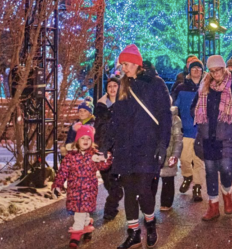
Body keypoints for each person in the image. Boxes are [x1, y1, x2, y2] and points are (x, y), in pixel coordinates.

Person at [101, 45, 171, 249]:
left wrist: (162, 144)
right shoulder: (123, 85)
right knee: (129, 192)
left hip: (147, 146)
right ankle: (133, 234)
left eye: (127, 64)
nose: (124, 68)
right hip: (125, 147)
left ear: (137, 64)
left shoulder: (155, 83)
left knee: (143, 189)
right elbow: (116, 119)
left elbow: (165, 116)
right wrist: (106, 145)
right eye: (122, 64)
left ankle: (150, 223)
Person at [190, 55, 232, 220]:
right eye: (212, 71)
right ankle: (213, 205)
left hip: (226, 136)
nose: (215, 74)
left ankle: (227, 194)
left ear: (223, 69)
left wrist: (230, 116)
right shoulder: (204, 87)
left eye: (217, 70)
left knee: (227, 170)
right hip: (207, 136)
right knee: (210, 172)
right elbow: (193, 107)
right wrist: (198, 114)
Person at [52, 125, 112, 248]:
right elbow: (63, 171)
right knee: (79, 211)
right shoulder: (70, 157)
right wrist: (58, 184)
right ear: (77, 140)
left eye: (88, 138)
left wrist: (106, 158)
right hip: (74, 190)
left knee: (80, 212)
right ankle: (87, 226)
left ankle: (75, 234)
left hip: (89, 191)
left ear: (92, 141)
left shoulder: (94, 156)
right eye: (83, 138)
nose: (86, 141)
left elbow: (104, 167)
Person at [170, 58, 206, 202]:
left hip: (201, 130)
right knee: (184, 158)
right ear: (189, 71)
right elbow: (175, 106)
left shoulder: (207, 87)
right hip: (186, 128)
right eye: (194, 69)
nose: (196, 71)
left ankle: (197, 187)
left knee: (199, 161)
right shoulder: (181, 87)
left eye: (199, 69)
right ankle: (187, 176)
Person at [94, 77, 123, 221]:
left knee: (116, 186)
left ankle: (110, 209)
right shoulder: (100, 107)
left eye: (115, 86)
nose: (112, 89)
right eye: (110, 86)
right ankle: (112, 204)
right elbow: (98, 129)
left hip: (121, 149)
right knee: (109, 181)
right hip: (105, 149)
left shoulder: (125, 104)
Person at [154, 105, 183, 211]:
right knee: (152, 182)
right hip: (154, 155)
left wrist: (175, 155)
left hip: (168, 154)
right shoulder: (151, 114)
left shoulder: (174, 119)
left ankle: (166, 203)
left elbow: (178, 139)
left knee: (168, 180)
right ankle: (149, 206)